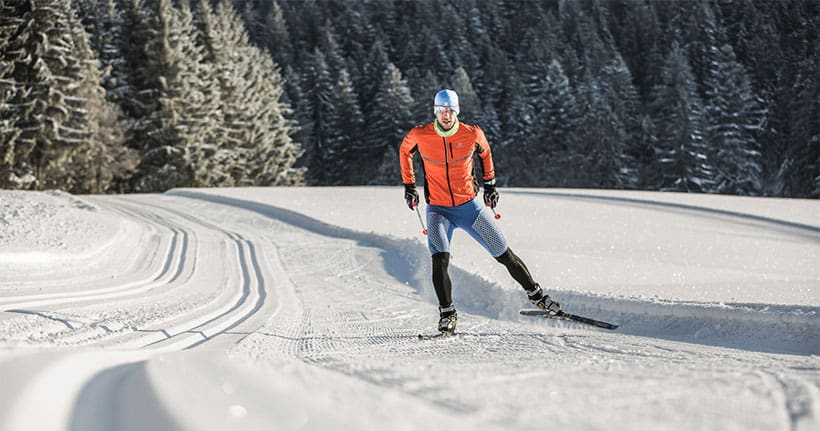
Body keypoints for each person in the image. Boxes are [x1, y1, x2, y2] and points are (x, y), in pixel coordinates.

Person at [399, 89, 561, 333]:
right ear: (435, 111)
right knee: (439, 259)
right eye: (441, 110)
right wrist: (409, 186)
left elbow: (485, 152)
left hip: (470, 208)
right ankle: (447, 313)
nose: (445, 115)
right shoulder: (421, 135)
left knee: (503, 253)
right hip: (438, 211)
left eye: (450, 110)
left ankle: (538, 296)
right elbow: (404, 151)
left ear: (457, 111)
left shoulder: (471, 133)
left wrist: (490, 185)